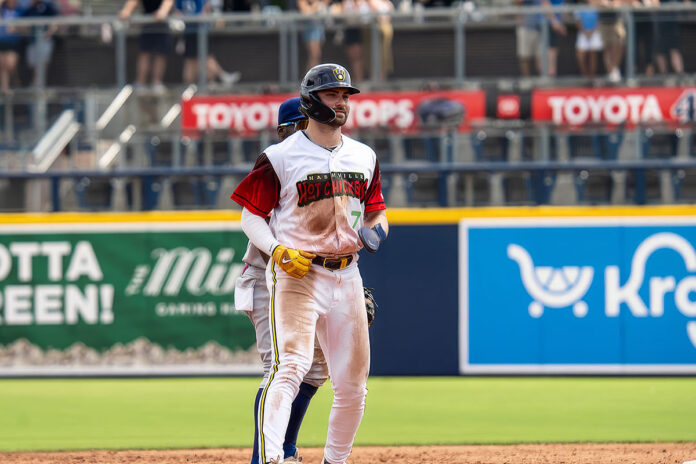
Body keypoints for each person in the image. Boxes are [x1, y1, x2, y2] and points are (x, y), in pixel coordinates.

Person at [231, 63, 388, 464]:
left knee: (351, 385)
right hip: (294, 273)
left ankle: (329, 460)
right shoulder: (280, 157)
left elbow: (375, 211)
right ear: (311, 100)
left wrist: (377, 232)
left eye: (346, 95)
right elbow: (250, 216)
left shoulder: (364, 156)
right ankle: (270, 459)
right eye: (333, 94)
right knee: (288, 368)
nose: (341, 102)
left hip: (345, 273)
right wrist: (279, 251)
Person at [175, 0, 241, 85]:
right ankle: (222, 76)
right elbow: (180, 11)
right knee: (194, 60)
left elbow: (204, 8)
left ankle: (218, 78)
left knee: (199, 59)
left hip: (196, 30)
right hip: (192, 30)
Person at [120, 0, 174, 92]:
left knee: (160, 54)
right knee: (144, 53)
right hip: (147, 23)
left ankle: (157, 83)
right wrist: (126, 10)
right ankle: (141, 83)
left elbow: (168, 2)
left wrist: (163, 11)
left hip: (162, 24)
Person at [23, 0, 58, 87]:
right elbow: (23, 24)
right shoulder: (29, 9)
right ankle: (37, 85)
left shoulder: (47, 6)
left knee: (43, 63)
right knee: (34, 65)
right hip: (33, 41)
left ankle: (38, 86)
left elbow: (55, 21)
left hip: (44, 40)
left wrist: (49, 32)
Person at [297, 0, 329, 71]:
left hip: (319, 28)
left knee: (317, 55)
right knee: (314, 55)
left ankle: (315, 76)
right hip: (310, 29)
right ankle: (310, 79)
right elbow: (306, 12)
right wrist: (316, 4)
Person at [0, 0, 24, 94]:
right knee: (2, 66)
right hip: (2, 41)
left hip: (13, 42)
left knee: (10, 64)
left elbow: (26, 25)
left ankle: (16, 79)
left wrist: (16, 28)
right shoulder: (3, 10)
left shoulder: (20, 11)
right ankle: (5, 88)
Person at [574, 0, 603, 78]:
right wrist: (584, 32)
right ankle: (585, 76)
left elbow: (599, 20)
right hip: (583, 33)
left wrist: (592, 31)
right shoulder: (579, 6)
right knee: (580, 55)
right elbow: (578, 21)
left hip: (594, 32)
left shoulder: (597, 4)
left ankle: (591, 77)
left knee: (593, 54)